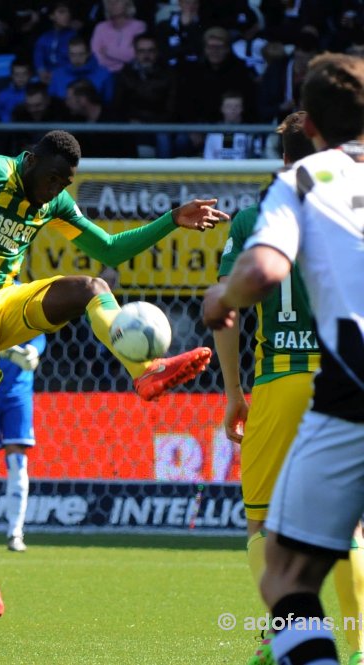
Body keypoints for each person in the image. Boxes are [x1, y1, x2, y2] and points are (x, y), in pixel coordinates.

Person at [0, 129, 227, 618]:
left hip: (3, 302)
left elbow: (111, 250)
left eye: (66, 181)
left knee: (89, 285)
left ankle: (143, 372)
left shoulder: (53, 202)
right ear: (30, 160)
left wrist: (171, 219)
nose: (57, 188)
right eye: (53, 177)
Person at [203, 53, 364, 664]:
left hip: (301, 383)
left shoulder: (290, 189)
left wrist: (223, 302)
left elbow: (263, 273)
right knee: (349, 531)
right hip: (338, 377)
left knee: (276, 550)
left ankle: (284, 641)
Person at [0, 332, 46, 553]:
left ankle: (15, 533)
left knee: (18, 462)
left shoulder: (27, 306)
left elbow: (38, 336)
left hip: (18, 394)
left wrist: (33, 351)